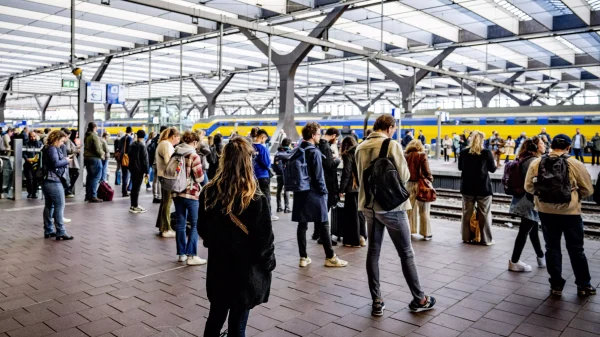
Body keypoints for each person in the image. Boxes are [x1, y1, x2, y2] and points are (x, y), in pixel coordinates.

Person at [356, 114, 435, 315]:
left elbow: (360, 177)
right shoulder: (392, 145)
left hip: (368, 206)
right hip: (391, 207)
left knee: (373, 252)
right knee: (406, 253)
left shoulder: (360, 146)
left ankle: (377, 301)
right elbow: (405, 175)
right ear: (390, 128)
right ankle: (420, 299)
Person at [198, 137, 275, 337]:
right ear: (246, 162)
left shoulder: (208, 192)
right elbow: (264, 241)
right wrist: (268, 265)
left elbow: (202, 230)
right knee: (238, 323)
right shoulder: (254, 197)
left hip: (218, 268)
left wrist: (217, 243)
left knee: (215, 316)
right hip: (244, 272)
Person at [524, 134, 595, 296]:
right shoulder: (575, 163)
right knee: (576, 249)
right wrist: (575, 196)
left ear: (552, 145)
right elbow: (588, 190)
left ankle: (556, 285)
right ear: (568, 147)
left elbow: (528, 187)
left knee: (552, 248)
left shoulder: (537, 162)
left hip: (546, 212)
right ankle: (584, 285)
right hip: (570, 212)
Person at [293, 122, 347, 268]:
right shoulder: (314, 152)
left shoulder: (298, 149)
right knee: (324, 224)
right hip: (316, 194)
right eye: (318, 133)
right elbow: (318, 177)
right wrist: (325, 192)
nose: (320, 136)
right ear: (312, 135)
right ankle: (330, 257)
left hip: (301, 192)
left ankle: (303, 257)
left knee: (302, 225)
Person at [508, 136, 546, 272]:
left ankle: (541, 257)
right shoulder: (534, 161)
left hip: (523, 199)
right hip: (529, 200)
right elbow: (536, 182)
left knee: (532, 229)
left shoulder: (524, 158)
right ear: (535, 147)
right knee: (524, 231)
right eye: (542, 143)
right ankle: (514, 261)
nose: (544, 145)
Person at [172, 131, 207, 265]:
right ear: (194, 142)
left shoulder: (175, 152)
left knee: (180, 223)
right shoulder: (193, 155)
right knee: (195, 223)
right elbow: (199, 177)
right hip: (191, 194)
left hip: (176, 192)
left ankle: (181, 254)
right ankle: (192, 255)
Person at [459, 130, 496, 245]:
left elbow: (460, 168)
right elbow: (493, 169)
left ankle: (466, 237)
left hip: (467, 187)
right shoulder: (486, 153)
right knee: (484, 214)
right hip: (483, 188)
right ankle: (486, 240)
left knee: (467, 213)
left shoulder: (464, 152)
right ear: (482, 140)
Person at [42, 130, 73, 241]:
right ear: (56, 139)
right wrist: (66, 160)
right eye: (61, 141)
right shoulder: (52, 149)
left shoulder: (47, 148)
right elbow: (55, 163)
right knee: (60, 205)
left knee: (49, 206)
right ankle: (61, 231)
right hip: (53, 181)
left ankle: (49, 230)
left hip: (47, 180)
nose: (62, 144)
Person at [339, 136, 366, 247]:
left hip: (352, 187)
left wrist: (341, 189)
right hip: (361, 187)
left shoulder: (348, 154)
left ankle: (352, 240)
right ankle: (362, 237)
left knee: (352, 215)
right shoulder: (360, 152)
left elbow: (346, 173)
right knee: (360, 213)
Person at [405, 139, 433, 240]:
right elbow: (426, 170)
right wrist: (430, 179)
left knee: (409, 209)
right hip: (421, 185)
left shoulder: (406, 155)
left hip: (408, 184)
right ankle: (426, 233)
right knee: (424, 209)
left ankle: (409, 230)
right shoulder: (422, 155)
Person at [316, 127, 341, 244]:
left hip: (322, 181)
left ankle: (318, 234)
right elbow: (330, 165)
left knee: (322, 210)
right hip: (328, 183)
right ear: (334, 135)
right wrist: (337, 160)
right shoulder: (325, 146)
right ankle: (324, 237)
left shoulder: (319, 144)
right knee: (326, 211)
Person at [155, 127, 180, 238]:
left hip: (163, 175)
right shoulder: (166, 145)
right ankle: (166, 229)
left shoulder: (163, 143)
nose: (178, 140)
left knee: (165, 202)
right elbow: (168, 162)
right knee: (167, 203)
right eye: (178, 138)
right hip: (167, 177)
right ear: (173, 136)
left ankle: (162, 226)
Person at [251, 128, 278, 221]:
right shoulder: (263, 148)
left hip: (253, 176)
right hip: (263, 176)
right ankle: (268, 215)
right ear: (262, 137)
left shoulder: (250, 147)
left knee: (255, 196)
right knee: (266, 196)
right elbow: (266, 163)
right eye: (265, 139)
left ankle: (257, 215)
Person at [128, 130, 149, 214]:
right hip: (139, 169)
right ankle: (135, 206)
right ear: (144, 136)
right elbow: (145, 160)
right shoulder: (142, 146)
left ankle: (133, 204)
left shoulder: (132, 145)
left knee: (134, 188)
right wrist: (147, 171)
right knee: (136, 188)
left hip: (132, 168)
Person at [83, 122, 105, 203]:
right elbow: (98, 149)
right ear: (95, 127)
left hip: (88, 158)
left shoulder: (87, 135)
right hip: (95, 159)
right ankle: (93, 196)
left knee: (90, 177)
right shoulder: (94, 136)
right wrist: (102, 154)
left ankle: (88, 195)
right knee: (96, 177)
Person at [149, 126, 167, 203]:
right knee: (160, 180)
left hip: (154, 162)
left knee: (155, 179)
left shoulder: (153, 139)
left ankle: (155, 196)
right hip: (160, 162)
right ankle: (159, 196)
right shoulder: (163, 140)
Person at [273, 138, 291, 213]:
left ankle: (279, 207)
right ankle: (287, 207)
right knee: (286, 191)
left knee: (279, 190)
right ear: (289, 144)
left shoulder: (278, 152)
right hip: (286, 174)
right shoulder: (289, 152)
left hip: (279, 174)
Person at [23, 131, 42, 199]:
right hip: (28, 164)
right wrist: (27, 158)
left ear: (36, 136)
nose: (32, 138)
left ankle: (34, 193)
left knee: (35, 179)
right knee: (29, 178)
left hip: (36, 164)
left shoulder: (39, 143)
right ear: (28, 137)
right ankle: (30, 193)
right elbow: (23, 153)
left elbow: (41, 153)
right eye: (31, 136)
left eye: (34, 136)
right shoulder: (26, 144)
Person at [65, 129, 81, 198]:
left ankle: (69, 189)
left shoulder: (71, 141)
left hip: (72, 160)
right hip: (71, 161)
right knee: (75, 174)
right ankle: (68, 189)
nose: (77, 135)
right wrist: (76, 150)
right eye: (76, 134)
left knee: (72, 174)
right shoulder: (68, 141)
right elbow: (68, 150)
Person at [119, 127, 134, 197]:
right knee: (132, 175)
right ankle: (129, 188)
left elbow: (119, 148)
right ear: (131, 131)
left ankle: (124, 191)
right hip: (128, 159)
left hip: (122, 158)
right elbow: (130, 149)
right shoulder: (130, 138)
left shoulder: (122, 138)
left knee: (124, 175)